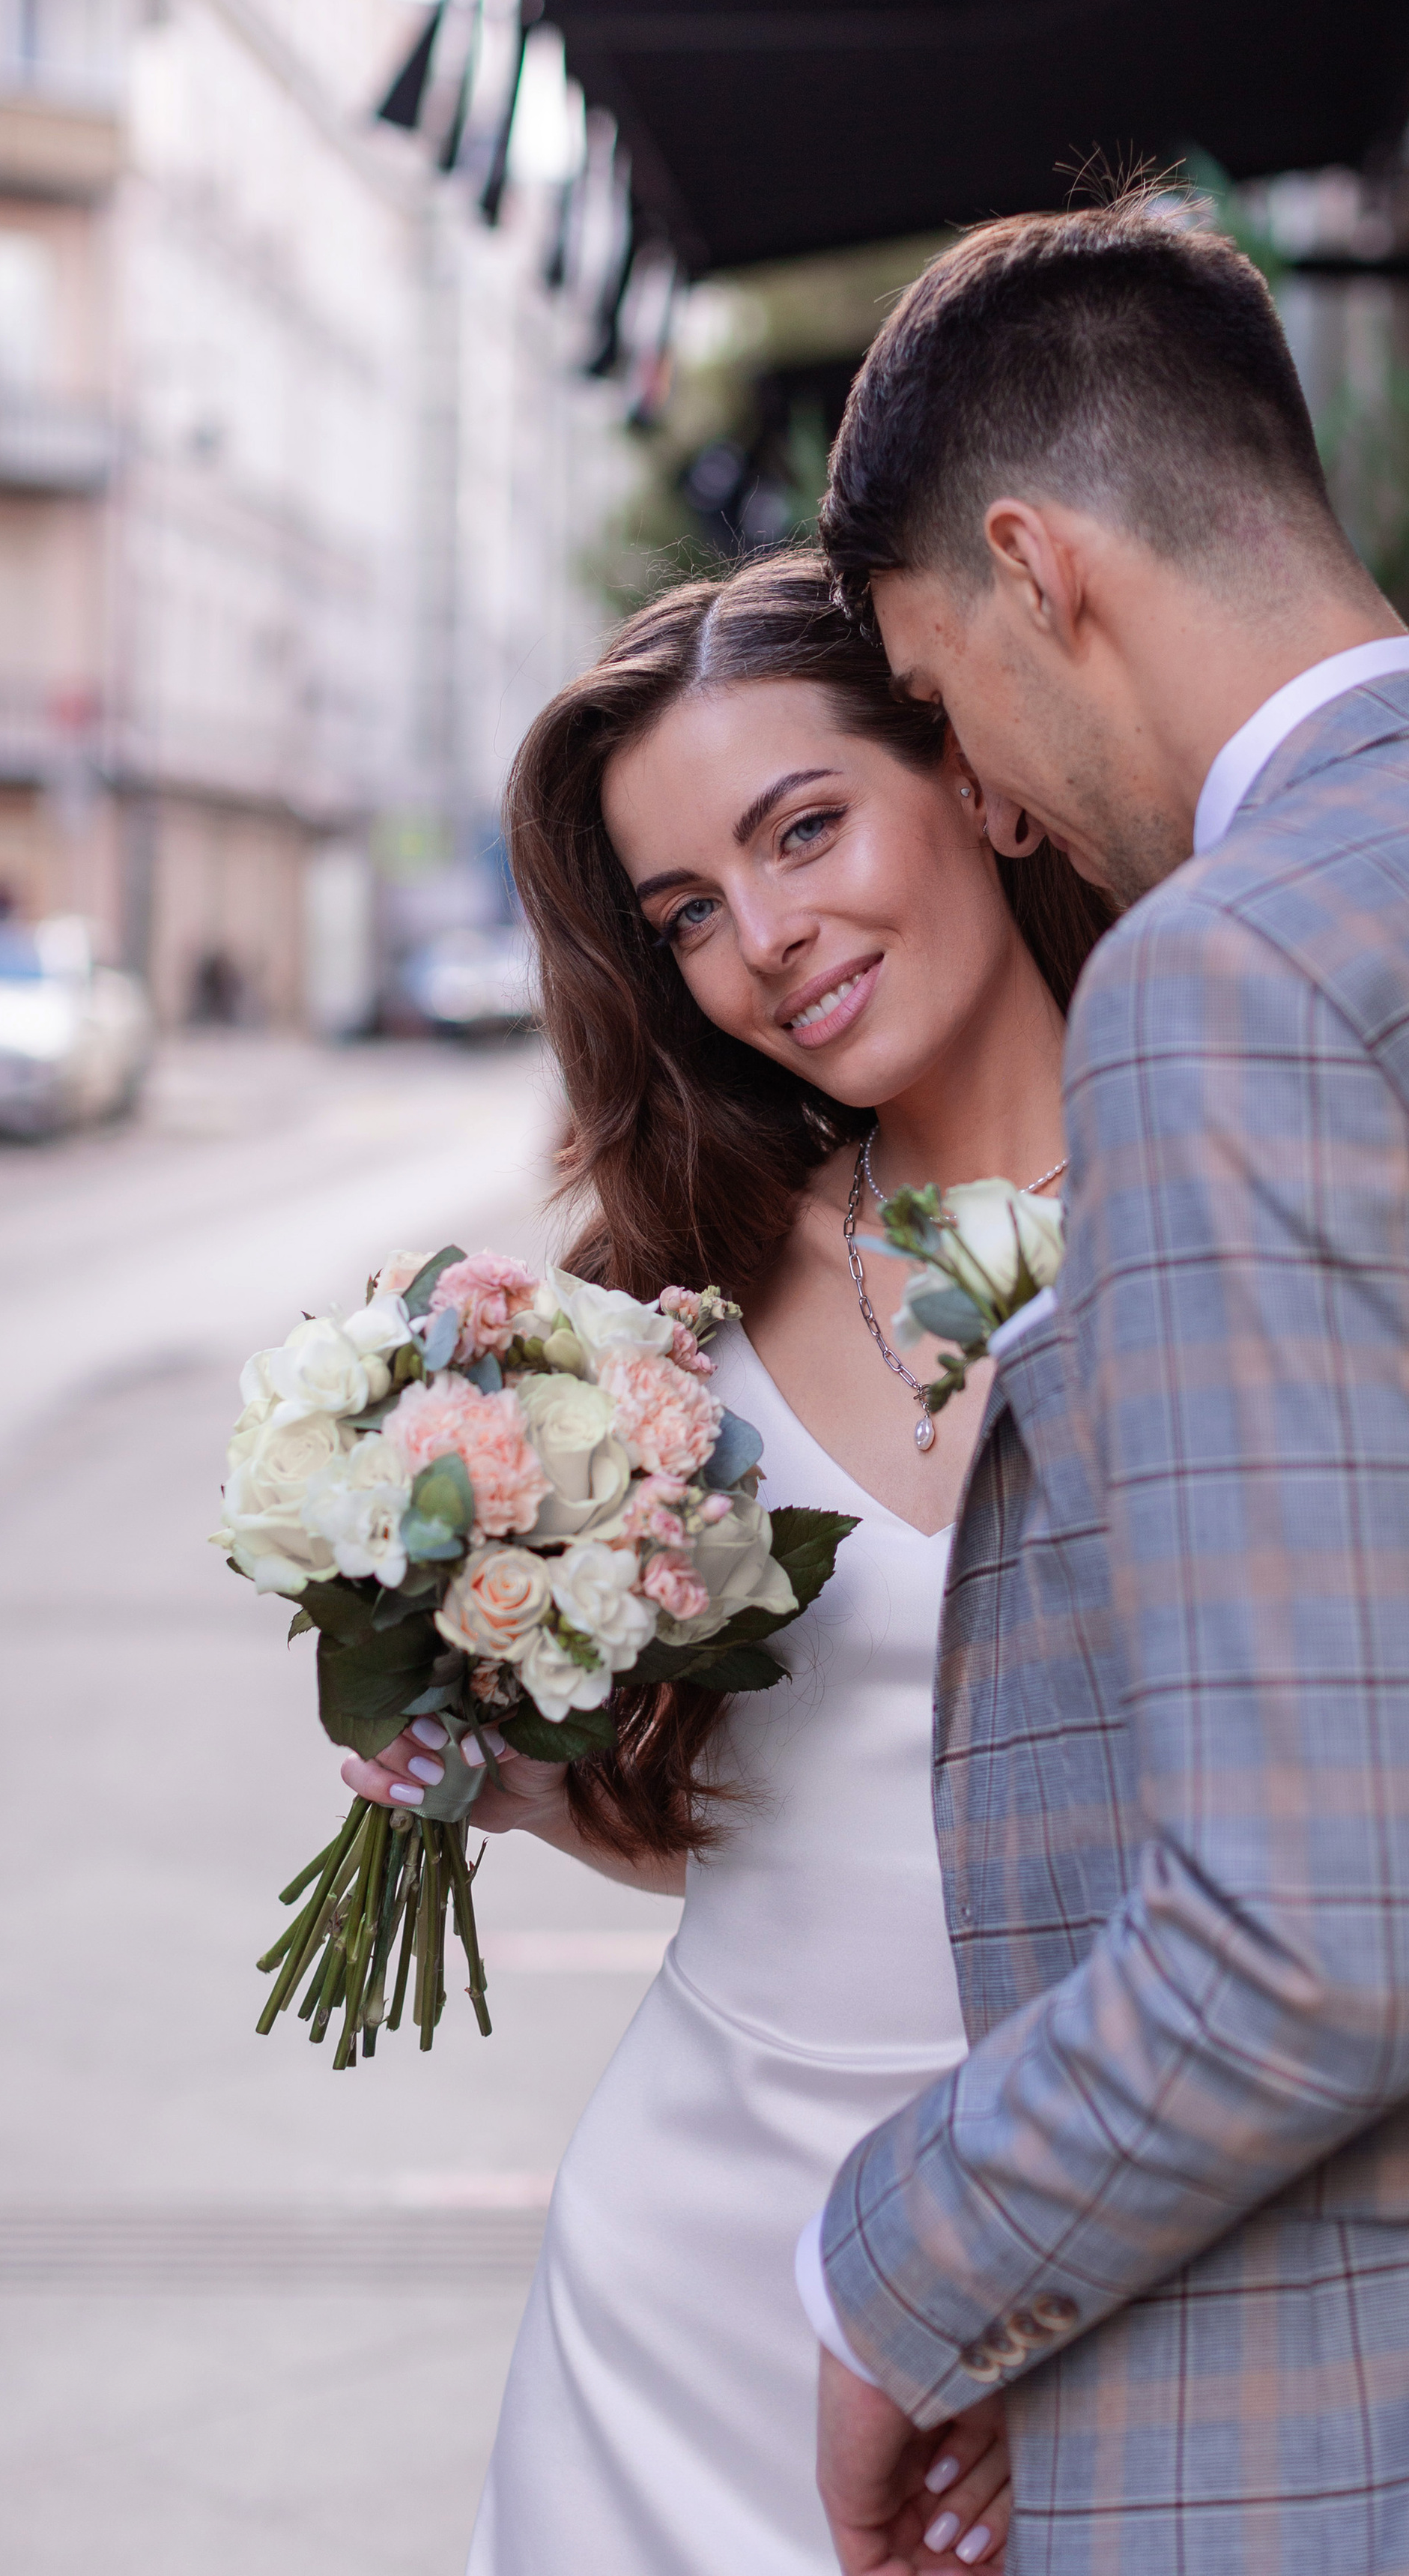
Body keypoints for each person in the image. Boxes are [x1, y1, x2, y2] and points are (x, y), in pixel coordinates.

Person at [794, 187, 1409, 2574]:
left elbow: (1311, 1934)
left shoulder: (1229, 979)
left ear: (1040, 569)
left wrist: (897, 2277)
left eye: (944, 710)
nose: (995, 807)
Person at [339, 554, 1112, 2574]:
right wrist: (528, 1783)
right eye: (686, 910)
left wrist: (1070, 2262)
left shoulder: (1229, 1201)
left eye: (805, 828)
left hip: (1095, 2252)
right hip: (687, 2279)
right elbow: (774, 1834)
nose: (765, 940)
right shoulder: (683, 1298)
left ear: (970, 777)